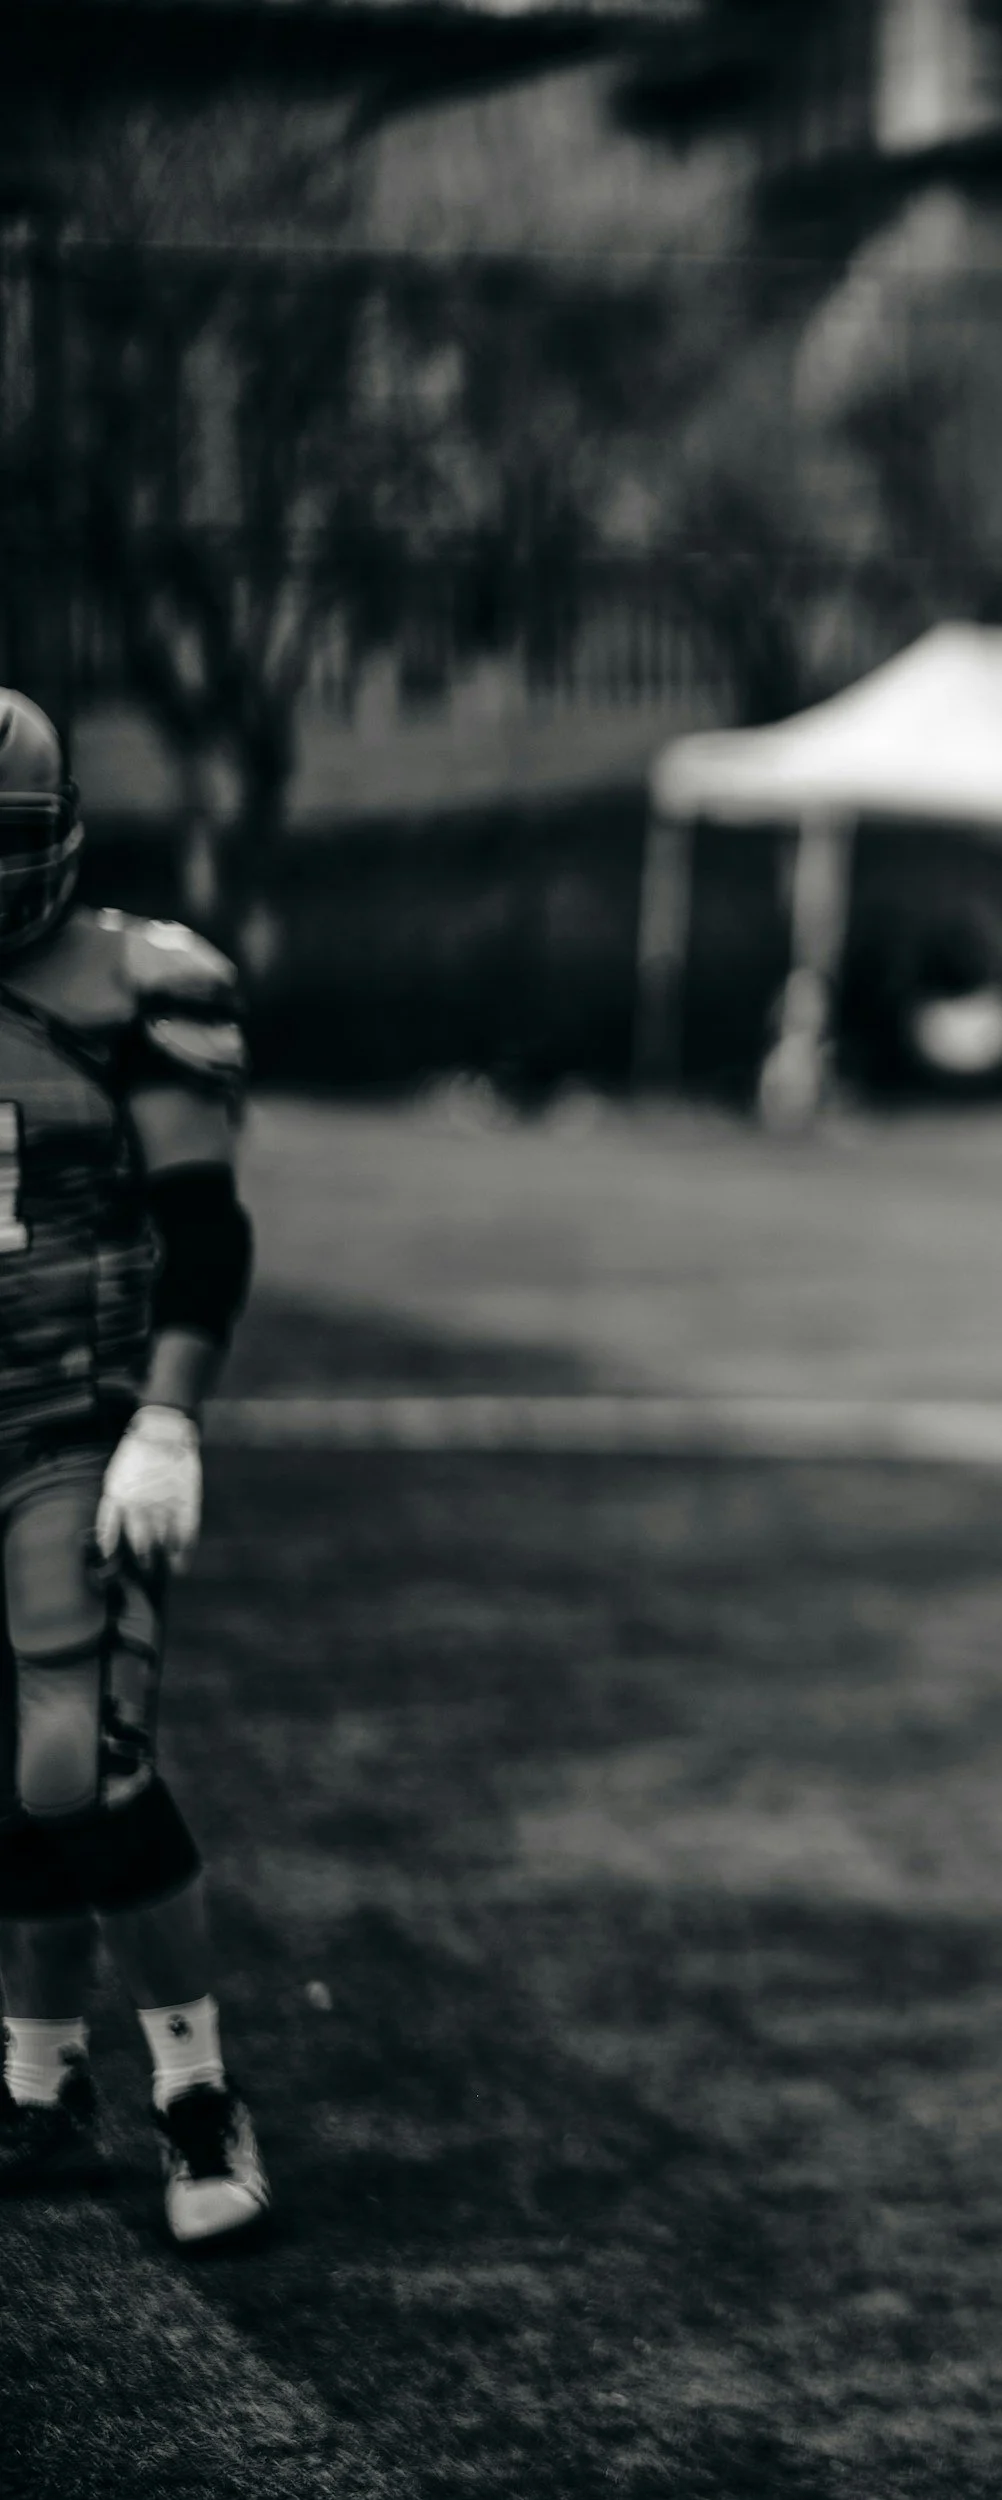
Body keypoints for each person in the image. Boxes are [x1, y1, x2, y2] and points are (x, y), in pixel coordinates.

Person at [0, 690, 266, 2246]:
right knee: (5, 1783)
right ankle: (36, 2086)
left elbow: (203, 1224)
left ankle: (193, 2091)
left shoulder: (136, 981)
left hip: (71, 1434)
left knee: (76, 1769)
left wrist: (169, 1418)